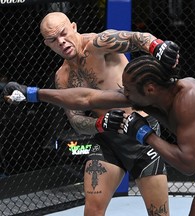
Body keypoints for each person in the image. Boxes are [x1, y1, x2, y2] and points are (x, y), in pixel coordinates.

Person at [3, 56, 195, 215]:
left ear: (150, 89)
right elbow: (88, 97)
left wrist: (144, 133)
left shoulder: (189, 98)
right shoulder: (153, 94)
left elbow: (188, 164)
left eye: (128, 91)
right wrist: (31, 93)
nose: (124, 96)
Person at [39, 12, 179, 216]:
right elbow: (76, 120)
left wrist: (157, 46)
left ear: (74, 27)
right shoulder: (63, 76)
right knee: (92, 210)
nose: (61, 41)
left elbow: (134, 38)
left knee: (159, 213)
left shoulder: (98, 44)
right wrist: (100, 123)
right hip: (107, 138)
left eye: (63, 33)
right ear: (47, 44)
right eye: (53, 39)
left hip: (142, 133)